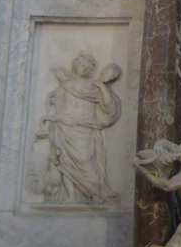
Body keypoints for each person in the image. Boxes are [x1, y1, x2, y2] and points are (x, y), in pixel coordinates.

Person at [34, 53, 121, 204]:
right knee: (65, 163)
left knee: (86, 160)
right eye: (81, 64)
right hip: (65, 126)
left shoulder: (93, 86)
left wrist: (101, 86)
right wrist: (51, 117)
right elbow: (58, 103)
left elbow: (108, 105)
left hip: (84, 128)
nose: (84, 68)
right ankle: (71, 196)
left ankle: (93, 193)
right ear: (75, 65)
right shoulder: (66, 84)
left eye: (87, 66)